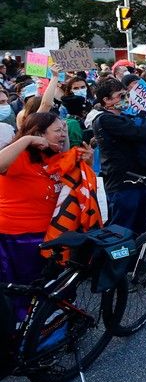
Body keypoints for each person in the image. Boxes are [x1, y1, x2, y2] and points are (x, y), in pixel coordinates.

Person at [0, 113, 92, 290]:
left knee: (44, 285)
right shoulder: (20, 156)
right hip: (17, 237)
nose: (64, 134)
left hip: (51, 235)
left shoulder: (53, 156)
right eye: (58, 130)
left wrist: (89, 161)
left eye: (63, 129)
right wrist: (26, 139)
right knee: (21, 289)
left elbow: (81, 188)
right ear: (40, 135)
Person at [92, 77, 146, 235]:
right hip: (122, 185)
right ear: (106, 100)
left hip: (137, 181)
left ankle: (136, 259)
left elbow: (141, 125)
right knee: (122, 232)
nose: (126, 99)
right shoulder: (105, 119)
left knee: (139, 230)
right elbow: (138, 132)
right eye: (121, 96)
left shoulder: (121, 117)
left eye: (126, 94)